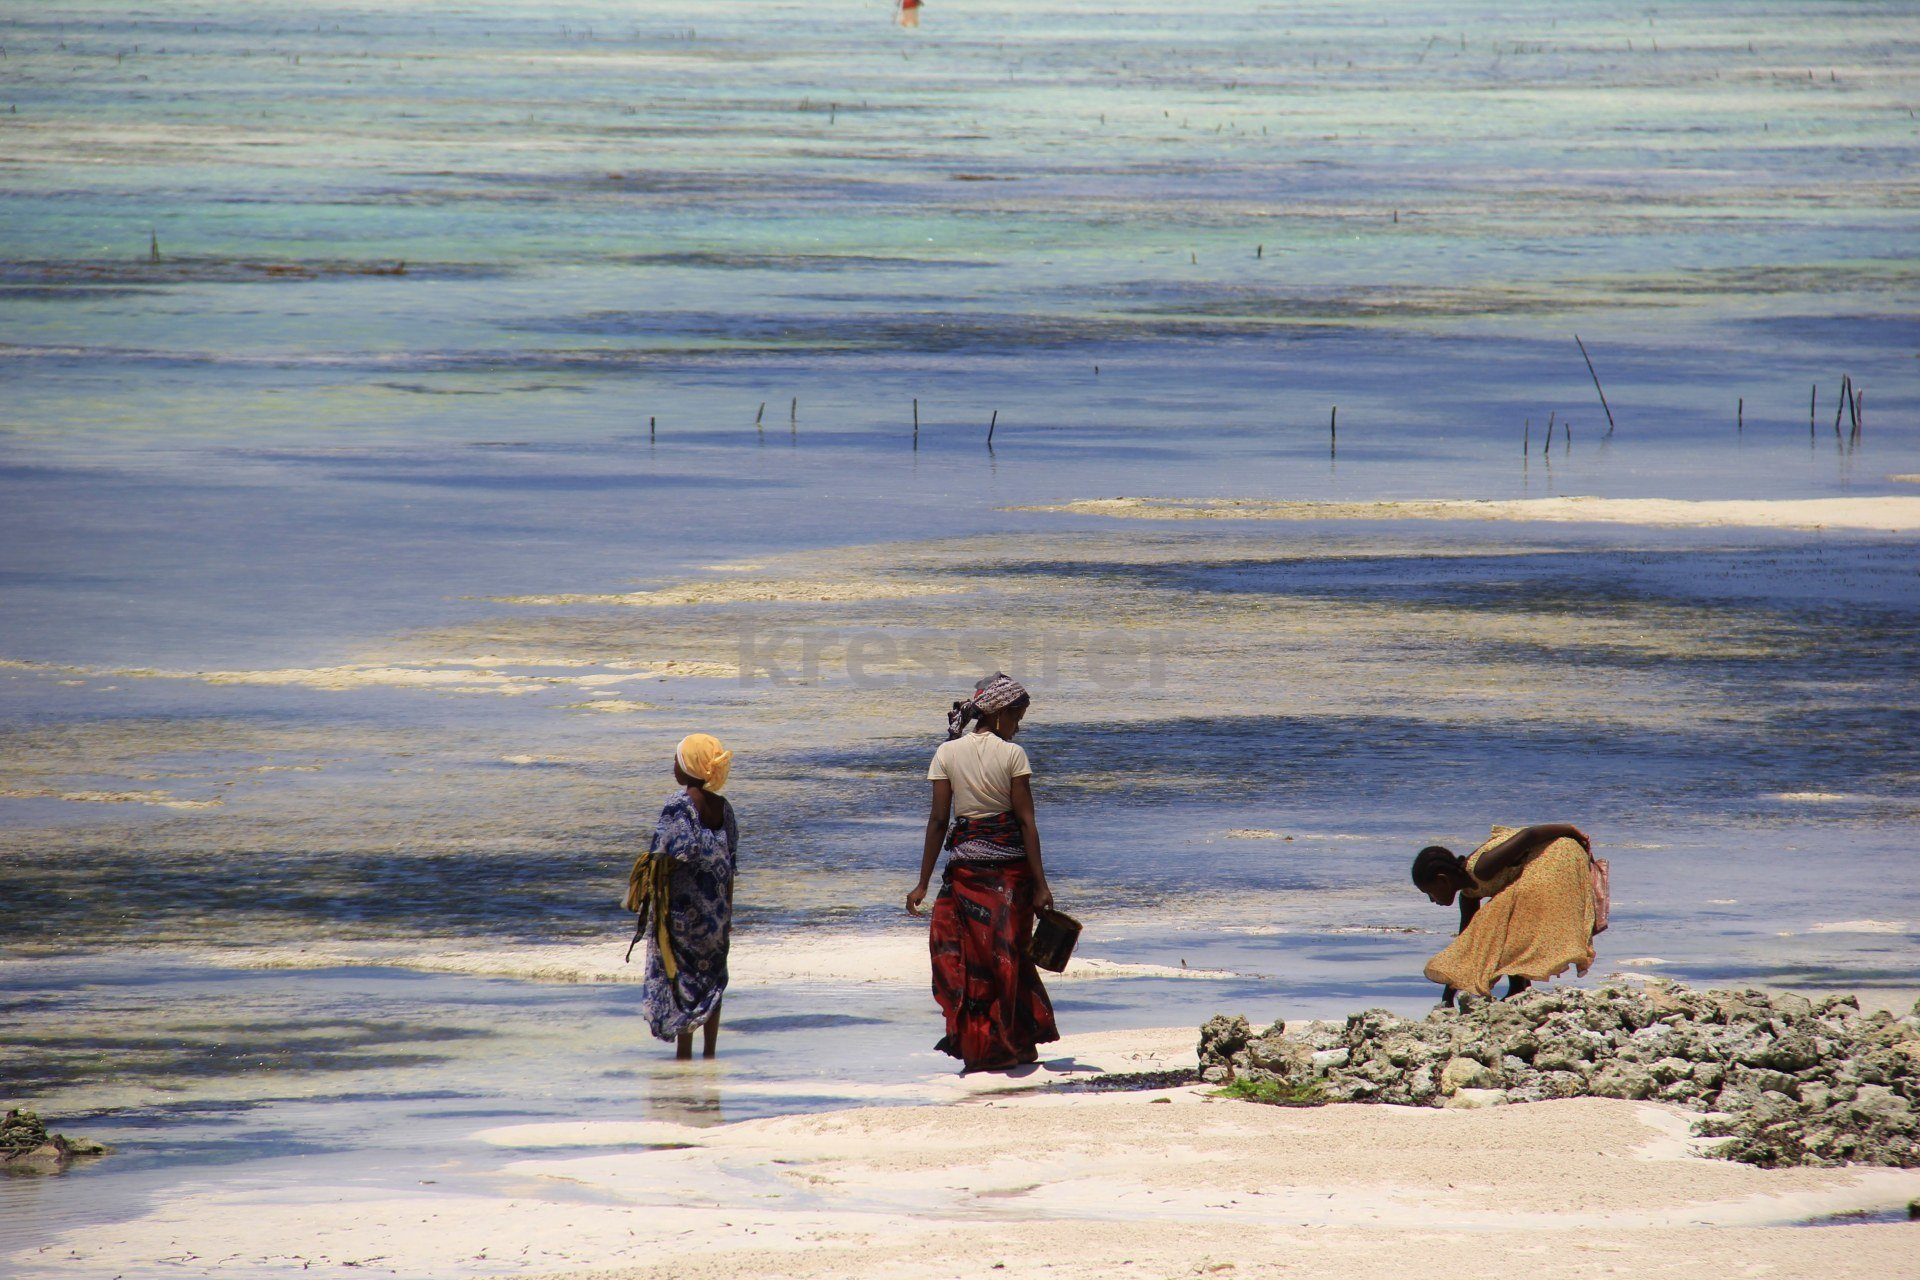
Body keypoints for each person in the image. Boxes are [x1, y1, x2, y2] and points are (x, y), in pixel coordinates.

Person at [906, 673, 1059, 1072]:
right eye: (1017, 716)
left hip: (964, 873)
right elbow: (1027, 823)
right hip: (1011, 875)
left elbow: (939, 821)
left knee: (970, 959)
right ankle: (1016, 1042)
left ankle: (982, 1046)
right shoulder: (1013, 755)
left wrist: (922, 882)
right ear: (999, 712)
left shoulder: (946, 753)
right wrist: (1042, 885)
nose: (1018, 726)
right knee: (1009, 957)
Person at [1412, 823, 1597, 1006]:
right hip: (1537, 867)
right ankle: (1520, 986)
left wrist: (1570, 830)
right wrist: (1448, 996)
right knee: (1495, 923)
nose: (1431, 900)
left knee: (1504, 914)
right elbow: (1466, 948)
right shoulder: (1468, 896)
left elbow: (1529, 835)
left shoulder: (1481, 868)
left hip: (1559, 852)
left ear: (1442, 880)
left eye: (1429, 893)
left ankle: (1518, 987)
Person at [638, 733, 738, 1059]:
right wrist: (727, 915)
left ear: (690, 766)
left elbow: (664, 853)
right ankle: (710, 1052)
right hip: (717, 913)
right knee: (712, 976)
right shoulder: (724, 809)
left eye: (677, 759)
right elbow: (729, 861)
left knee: (683, 976)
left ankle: (685, 1053)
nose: (673, 766)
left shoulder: (679, 805)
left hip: (684, 913)